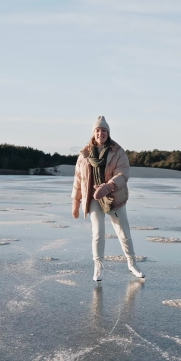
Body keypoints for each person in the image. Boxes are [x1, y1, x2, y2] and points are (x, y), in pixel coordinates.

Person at [71, 116, 145, 282]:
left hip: (114, 198)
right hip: (93, 198)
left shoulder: (117, 151)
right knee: (97, 232)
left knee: (123, 232)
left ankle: (132, 263)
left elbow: (123, 173)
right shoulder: (84, 154)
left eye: (103, 130)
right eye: (97, 130)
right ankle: (98, 267)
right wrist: (76, 202)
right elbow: (78, 179)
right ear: (93, 133)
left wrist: (108, 187)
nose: (100, 133)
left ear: (108, 133)